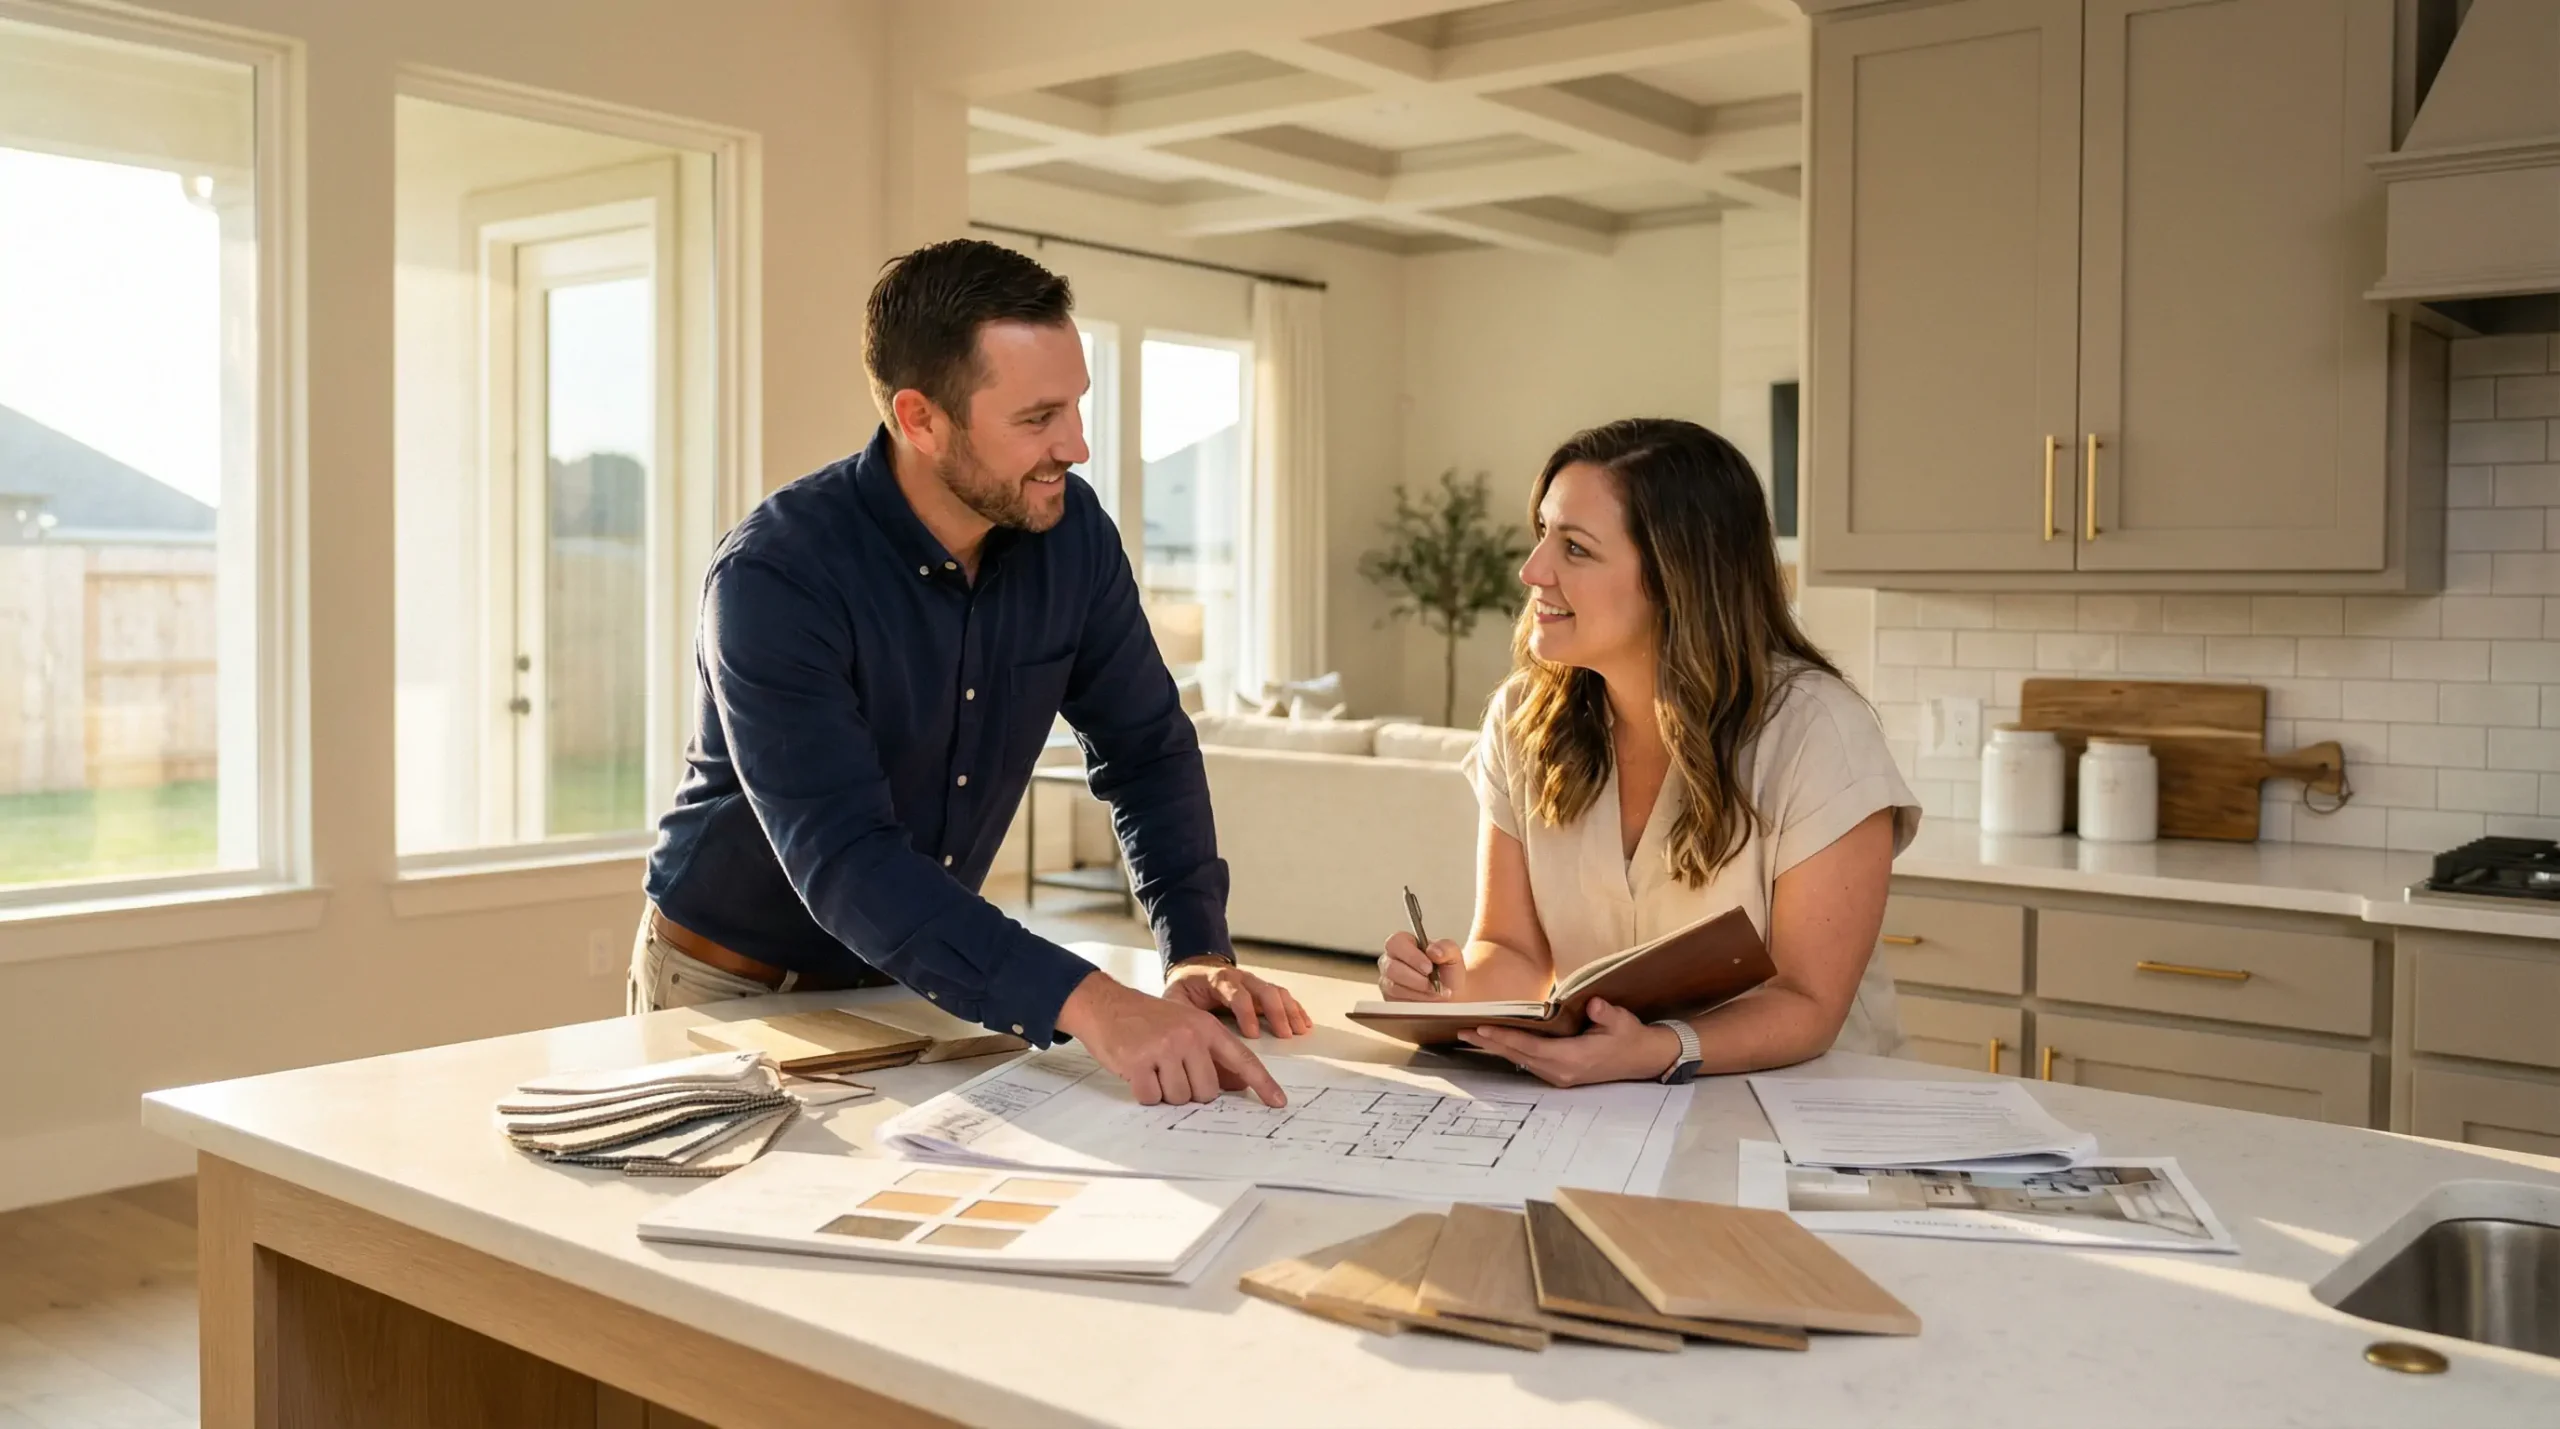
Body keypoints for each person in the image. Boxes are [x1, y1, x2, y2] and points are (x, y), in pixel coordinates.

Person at [634, 238, 1309, 1108]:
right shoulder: (776, 575)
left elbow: (1145, 749)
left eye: (1076, 406)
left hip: (924, 971)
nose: (1076, 445)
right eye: (1037, 419)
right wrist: (1095, 1002)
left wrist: (1196, 951)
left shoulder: (1072, 535)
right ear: (919, 419)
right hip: (734, 990)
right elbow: (847, 858)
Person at [1374, 418, 1917, 1086]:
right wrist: (1453, 987)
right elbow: (1513, 949)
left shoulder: (1818, 732)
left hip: (1809, 1120)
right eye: (1542, 532)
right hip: (1615, 1110)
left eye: (1574, 548)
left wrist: (1659, 1047)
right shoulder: (1520, 719)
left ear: (1675, 577)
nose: (1532, 569)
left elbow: (1809, 1002)